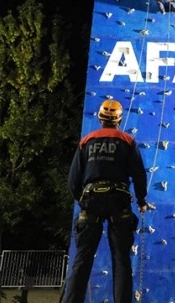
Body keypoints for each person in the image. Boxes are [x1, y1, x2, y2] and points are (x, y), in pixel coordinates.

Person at [62, 99, 148, 303]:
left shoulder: (86, 141)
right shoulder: (127, 141)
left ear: (100, 117)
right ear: (119, 119)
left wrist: (82, 200)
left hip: (91, 200)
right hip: (118, 201)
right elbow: (139, 174)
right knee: (121, 260)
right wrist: (142, 200)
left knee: (82, 260)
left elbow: (73, 181)